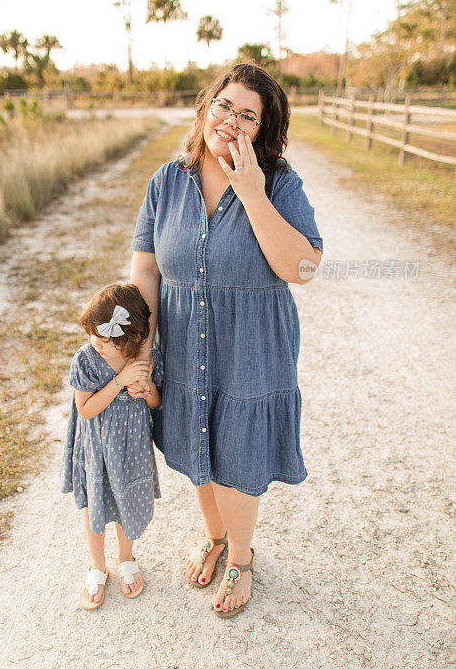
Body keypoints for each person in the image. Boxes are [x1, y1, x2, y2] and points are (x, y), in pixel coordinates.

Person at [128, 63, 323, 619]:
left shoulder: (280, 183)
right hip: (186, 342)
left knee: (236, 450)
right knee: (197, 446)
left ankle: (241, 556)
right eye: (225, 106)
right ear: (205, 107)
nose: (231, 121)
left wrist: (253, 193)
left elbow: (304, 268)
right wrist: (140, 350)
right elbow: (146, 273)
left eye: (248, 116)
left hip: (252, 346)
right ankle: (215, 537)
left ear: (263, 130)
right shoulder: (167, 181)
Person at [59, 282, 163, 610]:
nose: (95, 343)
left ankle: (126, 558)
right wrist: (119, 382)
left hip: (130, 449)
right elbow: (86, 409)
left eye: (104, 340)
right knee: (95, 505)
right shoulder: (87, 359)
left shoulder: (145, 359)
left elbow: (156, 403)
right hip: (97, 449)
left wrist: (144, 389)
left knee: (126, 499)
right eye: (93, 335)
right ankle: (97, 566)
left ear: (131, 339)